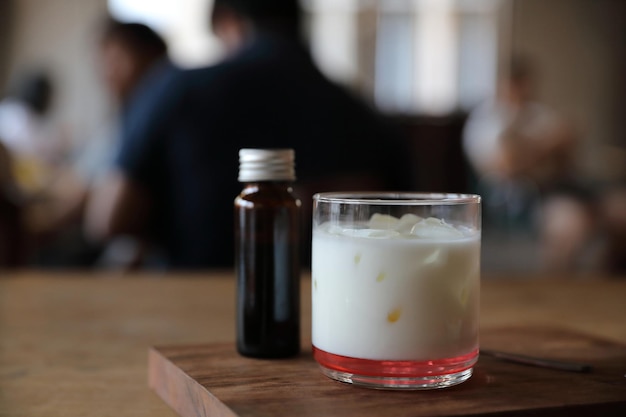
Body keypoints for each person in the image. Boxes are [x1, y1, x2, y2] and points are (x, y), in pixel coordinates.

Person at [86, 0, 412, 269]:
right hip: (333, 306)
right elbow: (403, 220)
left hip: (186, 297)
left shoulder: (177, 88)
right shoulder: (365, 111)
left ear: (228, 23)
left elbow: (106, 220)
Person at [463, 56, 595, 272]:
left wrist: (548, 147)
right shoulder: (485, 119)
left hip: (557, 186)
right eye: (517, 83)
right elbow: (507, 165)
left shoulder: (538, 113)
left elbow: (566, 154)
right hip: (515, 198)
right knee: (570, 224)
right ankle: (555, 287)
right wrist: (545, 147)